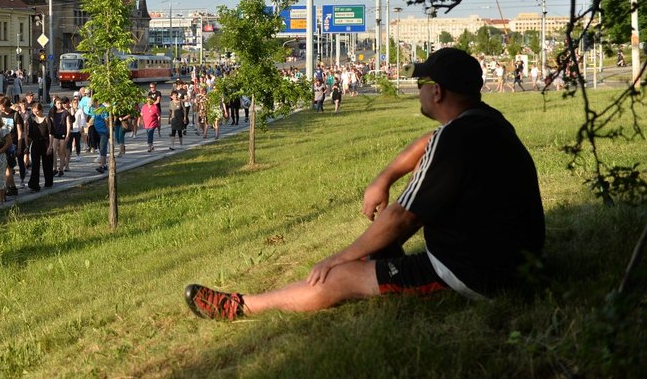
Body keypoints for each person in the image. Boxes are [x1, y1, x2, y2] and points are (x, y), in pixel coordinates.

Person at [184, 47, 546, 321]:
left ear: (436, 92)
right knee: (378, 240)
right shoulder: (485, 122)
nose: (416, 90)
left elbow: (402, 218)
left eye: (420, 84)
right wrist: (384, 178)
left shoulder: (453, 141)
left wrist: (340, 257)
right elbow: (427, 142)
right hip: (512, 259)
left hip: (476, 275)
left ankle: (240, 306)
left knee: (340, 277)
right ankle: (375, 262)